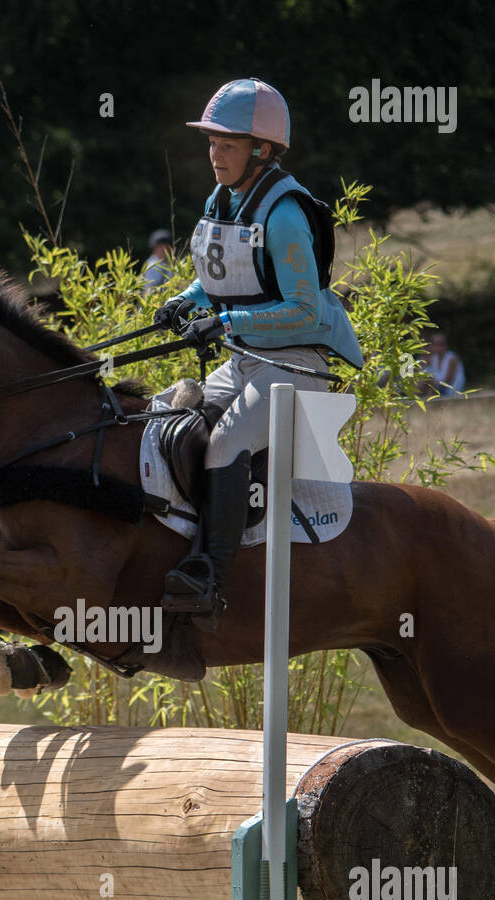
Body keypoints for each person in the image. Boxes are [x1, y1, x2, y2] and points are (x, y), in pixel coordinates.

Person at [152, 77, 363, 628]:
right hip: (248, 361)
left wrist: (224, 320)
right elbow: (217, 279)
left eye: (227, 144)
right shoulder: (223, 199)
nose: (214, 154)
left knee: (226, 441)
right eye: (212, 143)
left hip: (299, 364)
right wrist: (183, 301)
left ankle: (210, 577)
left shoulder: (285, 213)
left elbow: (305, 310)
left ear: (262, 150)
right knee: (162, 418)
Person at [418, 329, 466, 397]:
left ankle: (415, 402)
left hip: (450, 391)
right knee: (420, 378)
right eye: (432, 343)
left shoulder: (452, 358)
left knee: (427, 381)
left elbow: (447, 383)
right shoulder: (433, 358)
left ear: (444, 345)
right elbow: (418, 366)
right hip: (438, 389)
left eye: (436, 343)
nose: (432, 346)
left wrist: (431, 382)